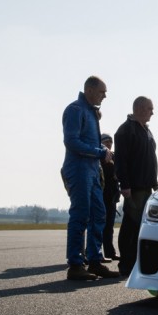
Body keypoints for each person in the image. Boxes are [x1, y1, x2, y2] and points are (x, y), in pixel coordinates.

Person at [61, 76, 121, 281]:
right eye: (102, 92)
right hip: (78, 170)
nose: (104, 96)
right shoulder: (75, 110)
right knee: (81, 214)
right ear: (89, 89)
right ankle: (75, 264)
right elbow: (71, 141)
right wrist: (99, 151)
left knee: (99, 213)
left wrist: (102, 150)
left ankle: (95, 261)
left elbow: (88, 142)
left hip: (94, 171)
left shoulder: (92, 112)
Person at [115, 96, 158, 277]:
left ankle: (137, 263)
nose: (152, 112)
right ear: (140, 108)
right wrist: (125, 185)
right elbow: (121, 160)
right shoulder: (126, 131)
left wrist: (155, 182)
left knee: (143, 227)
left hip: (146, 187)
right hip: (134, 188)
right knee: (130, 226)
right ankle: (126, 264)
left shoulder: (146, 131)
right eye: (150, 108)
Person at [99, 133, 120, 261]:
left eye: (110, 142)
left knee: (109, 226)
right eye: (106, 141)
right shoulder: (100, 156)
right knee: (99, 225)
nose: (109, 144)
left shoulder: (114, 156)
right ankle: (96, 252)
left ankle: (110, 251)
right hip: (101, 194)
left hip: (112, 195)